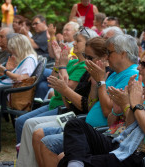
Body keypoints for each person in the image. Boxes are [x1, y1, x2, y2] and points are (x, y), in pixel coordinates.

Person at [15, 28, 98, 167]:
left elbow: (67, 88)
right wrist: (58, 63)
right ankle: (23, 161)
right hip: (56, 102)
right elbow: (52, 82)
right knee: (22, 121)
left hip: (65, 108)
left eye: (78, 41)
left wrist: (62, 66)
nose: (74, 43)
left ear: (89, 44)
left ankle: (27, 161)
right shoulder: (73, 62)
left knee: (28, 123)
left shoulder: (84, 66)